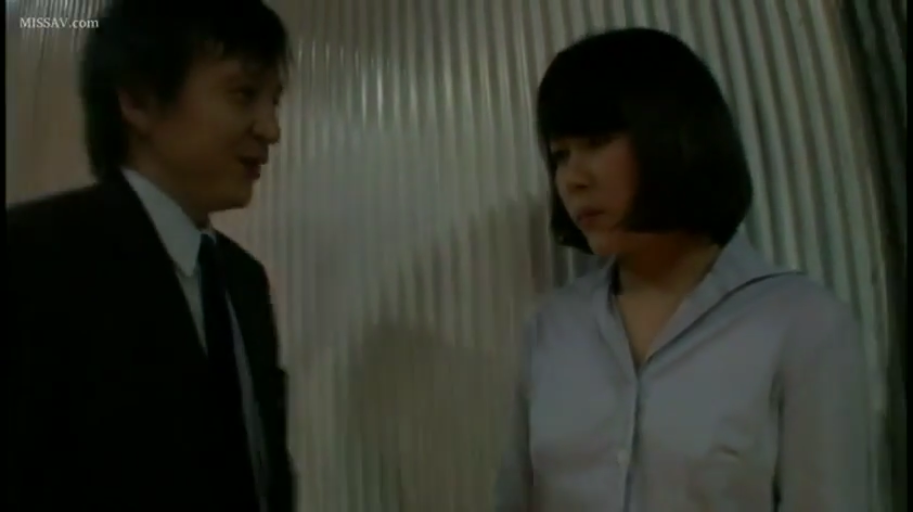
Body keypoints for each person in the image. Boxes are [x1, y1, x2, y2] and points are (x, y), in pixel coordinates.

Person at [495, 28, 873, 512]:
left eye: (597, 141)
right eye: (560, 155)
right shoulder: (552, 329)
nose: (572, 178)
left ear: (675, 136)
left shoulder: (802, 326)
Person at [5, 1, 295, 511]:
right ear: (138, 99)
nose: (270, 129)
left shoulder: (243, 280)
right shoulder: (33, 255)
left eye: (274, 101)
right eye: (244, 95)